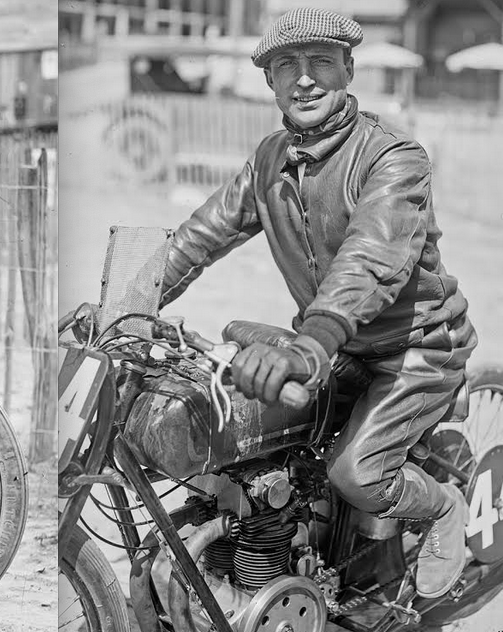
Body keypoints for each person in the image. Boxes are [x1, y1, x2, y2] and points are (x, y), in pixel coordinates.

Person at [157, 8, 474, 600]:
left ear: (348, 69)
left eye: (320, 62)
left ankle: (442, 507)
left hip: (415, 347)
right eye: (286, 65)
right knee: (237, 434)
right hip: (329, 343)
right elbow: (198, 238)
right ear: (269, 81)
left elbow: (369, 262)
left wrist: (310, 343)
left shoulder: (393, 158)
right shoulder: (270, 159)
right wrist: (127, 301)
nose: (303, 79)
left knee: (355, 473)